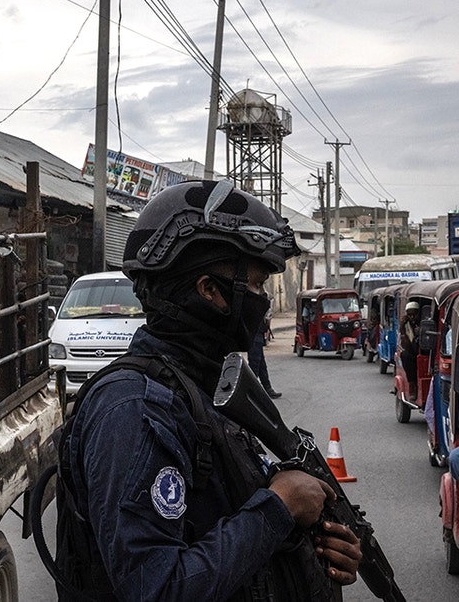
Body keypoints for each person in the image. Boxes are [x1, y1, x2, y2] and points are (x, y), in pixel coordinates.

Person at [56, 179, 362, 601]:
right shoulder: (135, 409)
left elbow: (215, 522)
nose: (263, 302)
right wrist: (279, 506)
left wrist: (307, 538)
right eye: (255, 286)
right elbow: (158, 589)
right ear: (210, 291)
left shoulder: (196, 390)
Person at [248, 310, 281, 399]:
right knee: (255, 362)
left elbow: (267, 317)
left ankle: (267, 388)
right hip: (253, 332)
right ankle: (251, 390)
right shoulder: (254, 300)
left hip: (258, 332)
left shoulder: (261, 300)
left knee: (261, 364)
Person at [398, 301, 420, 383]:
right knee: (405, 355)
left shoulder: (422, 324)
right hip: (412, 353)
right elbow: (406, 346)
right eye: (409, 315)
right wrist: (402, 328)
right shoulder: (406, 326)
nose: (412, 317)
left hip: (423, 350)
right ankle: (412, 383)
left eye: (414, 315)